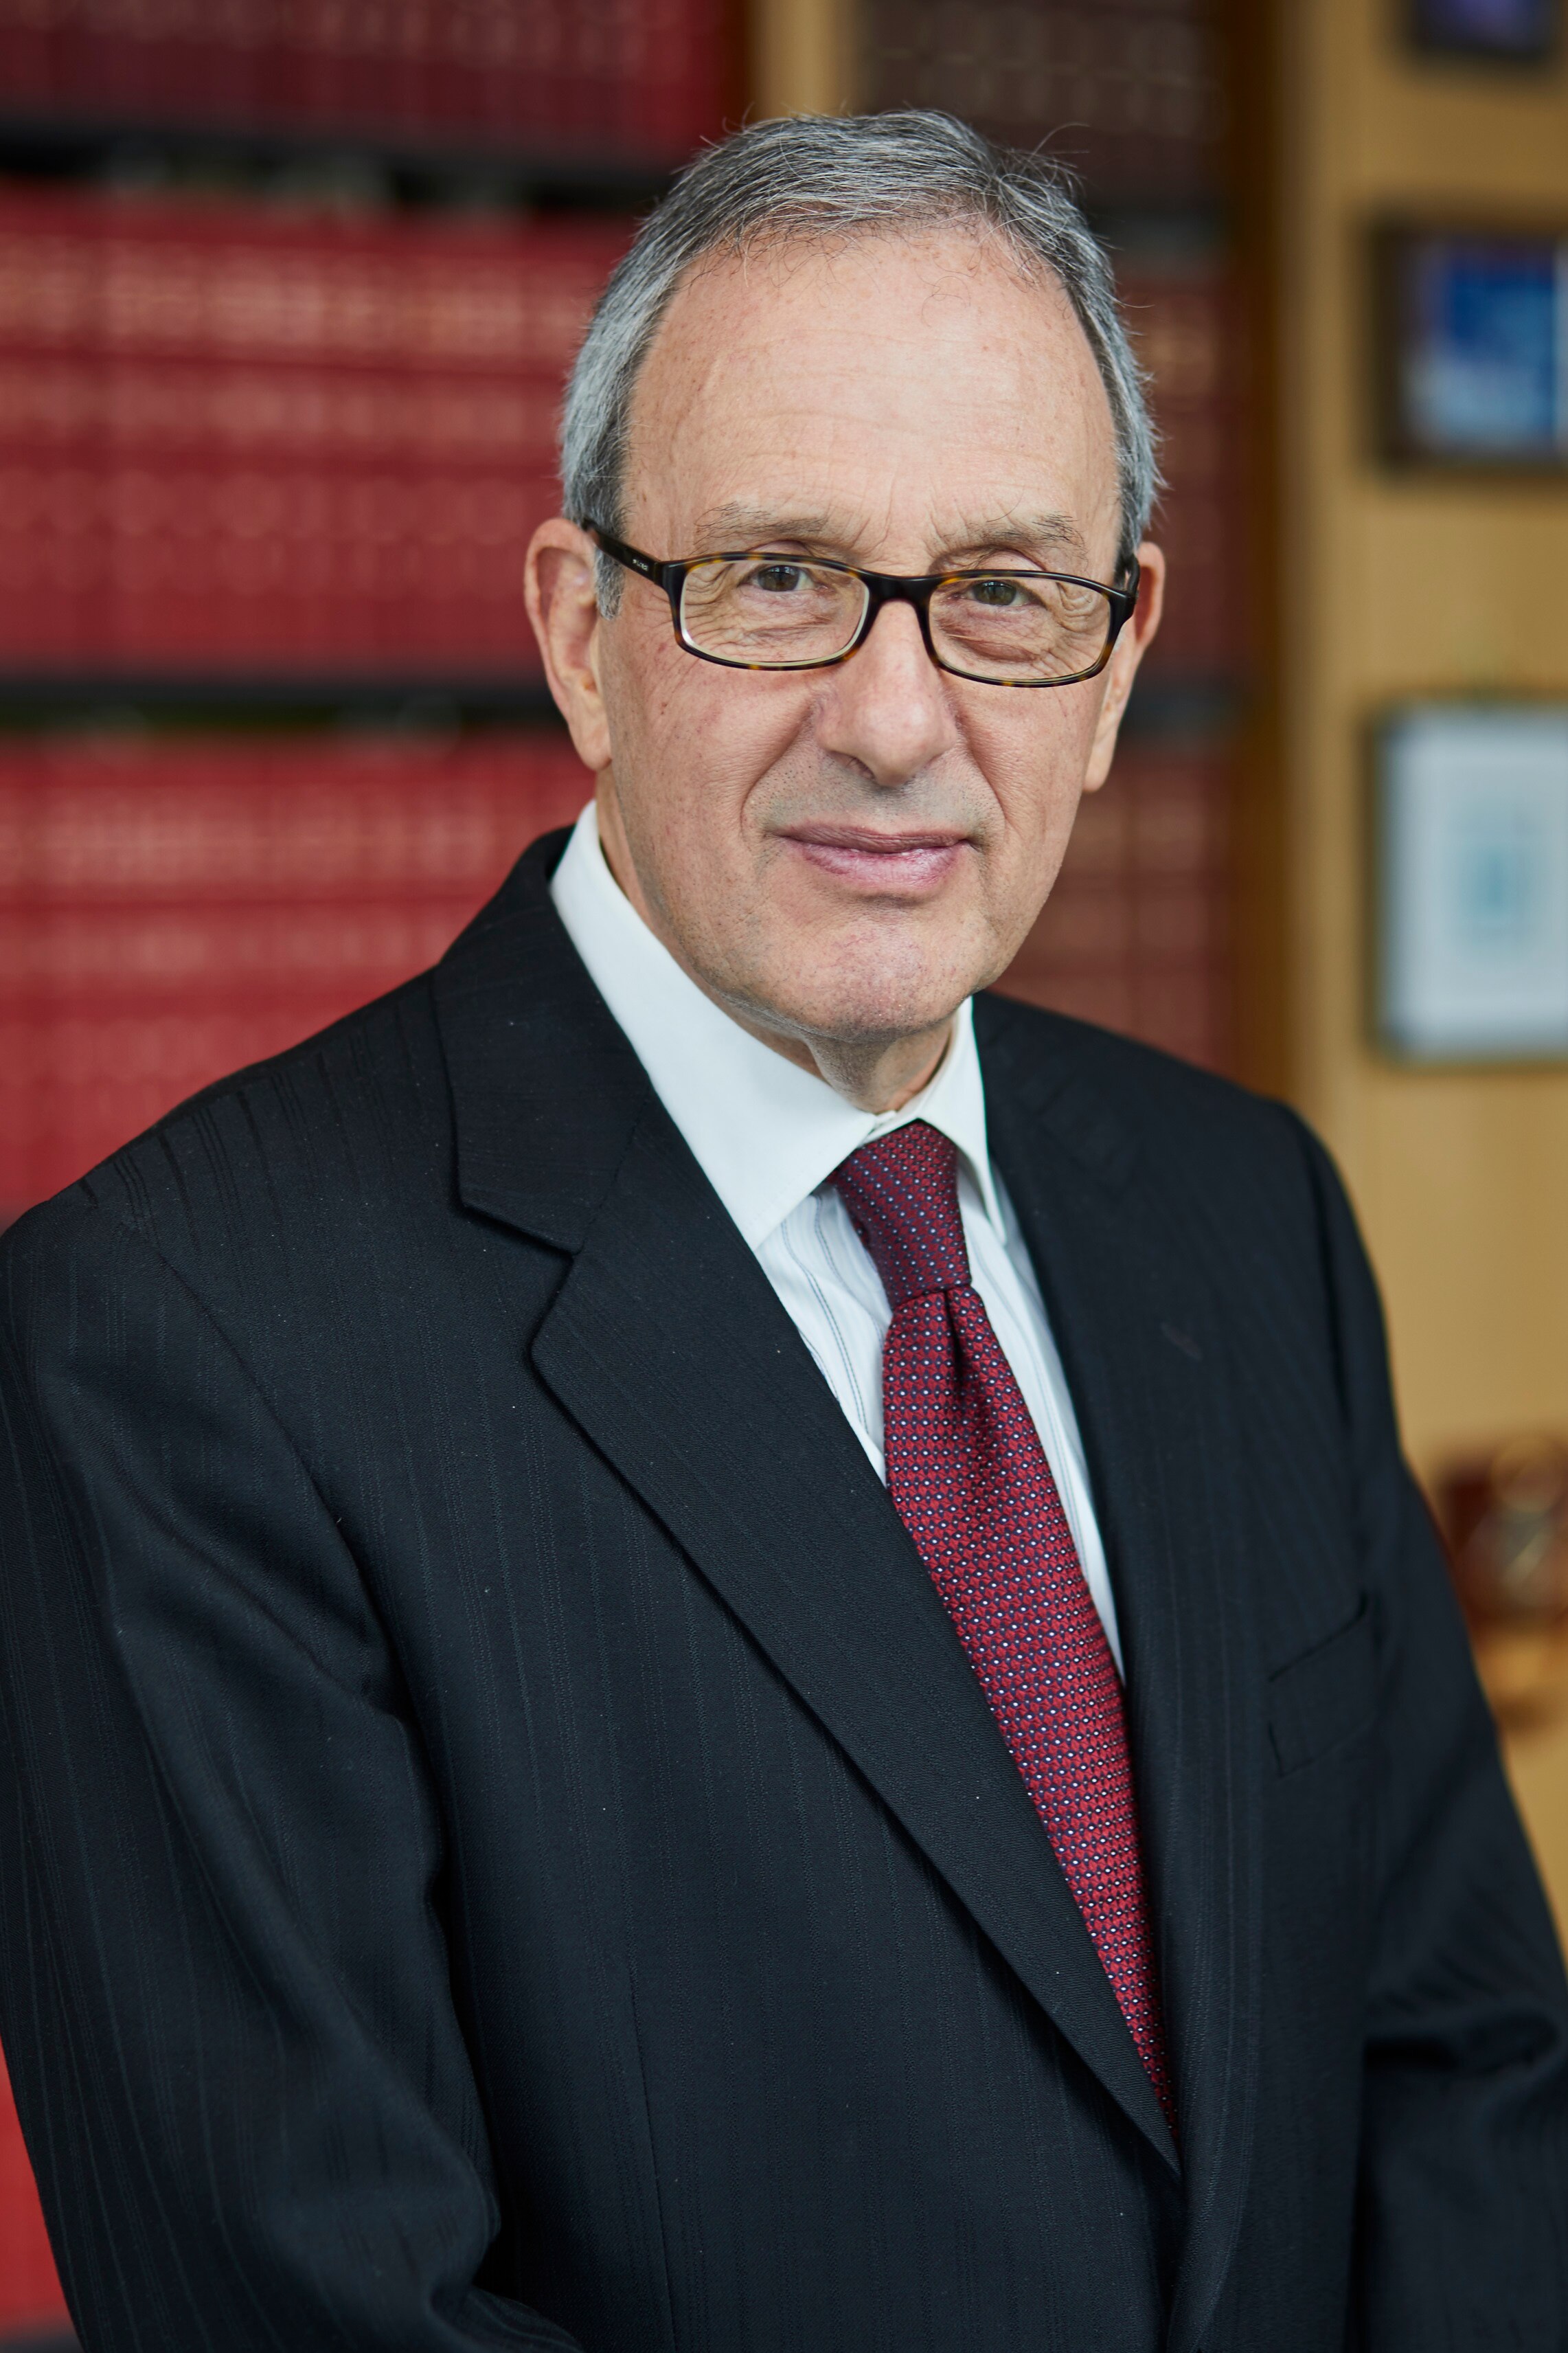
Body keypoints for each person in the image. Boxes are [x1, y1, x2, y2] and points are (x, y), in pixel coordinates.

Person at [1, 109, 1565, 2353]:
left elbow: (1468, 2076)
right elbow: (326, 2307)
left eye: (1003, 593)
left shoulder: (1244, 1215)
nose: (897, 717)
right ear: (578, 633)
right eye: (778, 580)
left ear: (1117, 658)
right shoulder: (169, 1344)